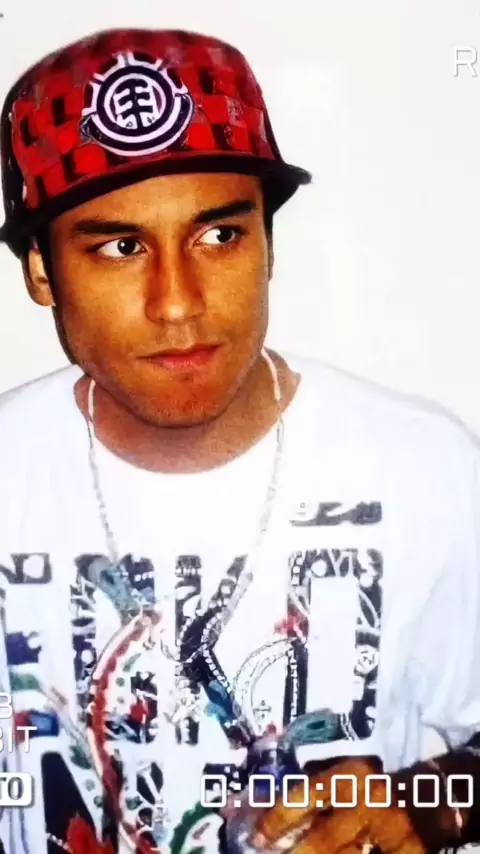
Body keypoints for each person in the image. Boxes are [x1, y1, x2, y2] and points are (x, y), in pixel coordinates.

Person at [0, 24, 478, 854]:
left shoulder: (425, 471)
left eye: (219, 235)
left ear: (267, 243)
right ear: (42, 270)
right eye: (120, 247)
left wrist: (430, 808)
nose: (178, 302)